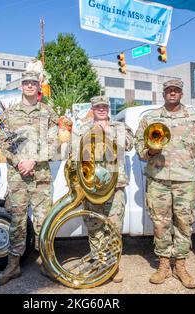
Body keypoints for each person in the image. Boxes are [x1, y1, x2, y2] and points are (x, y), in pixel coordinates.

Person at [134, 79, 195, 289]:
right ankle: (164, 265)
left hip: (186, 181)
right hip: (158, 180)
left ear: (181, 93)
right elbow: (139, 147)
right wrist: (149, 151)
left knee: (184, 223)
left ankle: (181, 265)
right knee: (160, 224)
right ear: (164, 93)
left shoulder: (194, 119)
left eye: (176, 90)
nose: (172, 93)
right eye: (169, 90)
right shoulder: (150, 118)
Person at [0, 71, 59, 286]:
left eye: (33, 83)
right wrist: (20, 162)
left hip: (40, 177)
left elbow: (54, 142)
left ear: (39, 87)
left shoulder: (48, 112)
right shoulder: (9, 114)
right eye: (26, 83)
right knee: (17, 222)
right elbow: (3, 144)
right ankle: (13, 266)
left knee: (44, 221)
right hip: (18, 177)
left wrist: (33, 161)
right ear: (21, 87)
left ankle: (48, 264)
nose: (30, 86)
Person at [71, 95, 133, 283]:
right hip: (91, 186)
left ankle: (113, 266)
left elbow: (129, 145)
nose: (101, 109)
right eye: (98, 106)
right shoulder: (82, 128)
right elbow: (73, 152)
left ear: (108, 109)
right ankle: (99, 262)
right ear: (92, 108)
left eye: (104, 106)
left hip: (115, 185)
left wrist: (108, 133)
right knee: (94, 226)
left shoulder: (119, 127)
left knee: (114, 226)